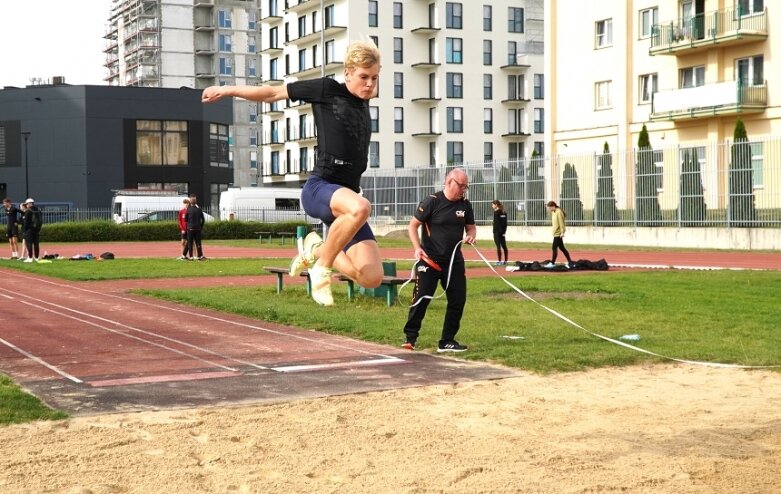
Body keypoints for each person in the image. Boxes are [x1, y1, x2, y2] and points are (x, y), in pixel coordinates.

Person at [201, 40, 384, 306]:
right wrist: (225, 89)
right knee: (361, 207)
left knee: (371, 277)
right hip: (320, 189)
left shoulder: (364, 102)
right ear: (347, 73)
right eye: (363, 77)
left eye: (375, 78)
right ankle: (322, 268)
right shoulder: (326, 90)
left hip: (345, 201)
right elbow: (272, 93)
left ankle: (316, 247)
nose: (369, 84)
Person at [402, 168, 476, 353]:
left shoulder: (465, 205)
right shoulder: (432, 201)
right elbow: (413, 226)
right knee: (422, 298)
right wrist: (417, 248)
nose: (463, 190)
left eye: (466, 186)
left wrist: (471, 236)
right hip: (429, 261)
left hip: (454, 262)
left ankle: (447, 341)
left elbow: (471, 228)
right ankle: (410, 337)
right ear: (449, 182)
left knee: (458, 300)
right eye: (461, 186)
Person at [545, 201, 574, 269]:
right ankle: (570, 261)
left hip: (558, 234)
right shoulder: (554, 212)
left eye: (549, 208)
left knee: (554, 247)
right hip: (555, 233)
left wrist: (562, 232)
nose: (549, 209)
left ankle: (552, 263)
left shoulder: (559, 212)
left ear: (553, 206)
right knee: (562, 248)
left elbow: (561, 223)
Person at [22, 198, 43, 263]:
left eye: (27, 204)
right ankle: (36, 257)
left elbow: (26, 222)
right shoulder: (39, 210)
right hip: (37, 230)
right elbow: (41, 221)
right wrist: (39, 229)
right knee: (36, 244)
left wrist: (25, 230)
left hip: (29, 230)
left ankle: (30, 258)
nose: (26, 205)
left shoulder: (28, 211)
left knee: (29, 244)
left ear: (29, 203)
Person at [185, 195, 206, 260]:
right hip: (198, 228)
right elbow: (203, 219)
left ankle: (191, 256)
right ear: (196, 201)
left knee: (190, 242)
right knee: (198, 242)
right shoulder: (199, 209)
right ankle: (199, 256)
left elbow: (186, 219)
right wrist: (201, 226)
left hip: (190, 228)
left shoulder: (188, 209)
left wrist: (189, 225)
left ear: (190, 202)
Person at [491, 200, 508, 265]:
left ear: (496, 205)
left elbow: (497, 223)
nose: (492, 206)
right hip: (502, 232)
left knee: (498, 246)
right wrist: (504, 232)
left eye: (493, 205)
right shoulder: (504, 212)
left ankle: (499, 261)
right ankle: (505, 261)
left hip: (497, 232)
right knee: (504, 246)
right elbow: (505, 223)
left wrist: (497, 231)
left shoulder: (496, 213)